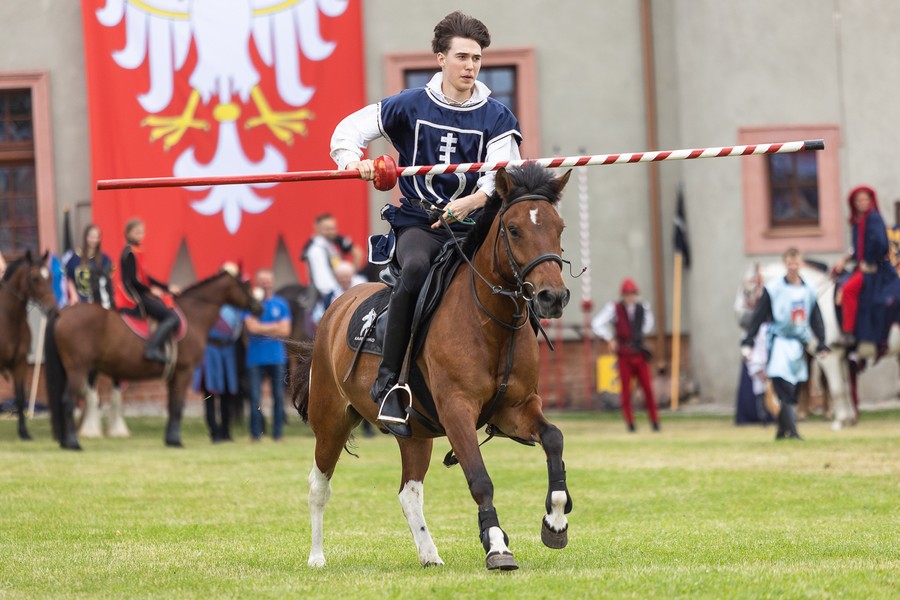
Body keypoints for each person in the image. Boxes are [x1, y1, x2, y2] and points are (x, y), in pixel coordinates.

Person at [330, 10, 522, 437]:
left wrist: (471, 202)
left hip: (472, 226)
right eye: (462, 57)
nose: (470, 66)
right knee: (415, 270)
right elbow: (347, 131)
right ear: (440, 58)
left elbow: (501, 175)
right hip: (420, 223)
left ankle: (513, 386)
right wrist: (354, 162)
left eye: (476, 58)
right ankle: (388, 380)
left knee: (517, 266)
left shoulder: (496, 116)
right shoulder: (408, 105)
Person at [741, 248, 829, 441]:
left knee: (795, 387)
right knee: (784, 388)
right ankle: (794, 432)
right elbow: (759, 315)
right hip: (780, 342)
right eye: (790, 263)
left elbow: (816, 318)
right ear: (785, 264)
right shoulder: (774, 289)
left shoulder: (808, 291)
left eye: (796, 263)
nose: (793, 267)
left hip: (798, 345)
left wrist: (822, 342)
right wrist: (749, 340)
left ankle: (782, 431)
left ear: (800, 264)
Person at [592, 278, 660, 432]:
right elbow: (597, 323)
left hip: (639, 354)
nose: (630, 297)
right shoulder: (614, 308)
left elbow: (648, 327)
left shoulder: (643, 308)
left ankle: (654, 421)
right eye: (627, 294)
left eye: (632, 294)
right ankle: (630, 422)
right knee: (626, 391)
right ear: (623, 295)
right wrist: (609, 338)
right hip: (624, 355)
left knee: (648, 389)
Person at [834, 186, 897, 346]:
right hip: (862, 266)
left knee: (848, 290)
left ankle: (848, 332)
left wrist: (871, 263)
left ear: (870, 201)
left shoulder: (874, 218)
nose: (862, 203)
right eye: (859, 200)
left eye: (865, 199)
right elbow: (857, 249)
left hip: (876, 269)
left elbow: (882, 244)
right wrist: (845, 260)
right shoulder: (858, 222)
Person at [114, 219, 181, 363]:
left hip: (141, 291)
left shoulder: (138, 250)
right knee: (173, 317)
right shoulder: (130, 253)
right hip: (135, 295)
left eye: (142, 232)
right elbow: (132, 280)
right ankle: (152, 348)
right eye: (137, 232)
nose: (141, 234)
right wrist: (151, 290)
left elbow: (147, 278)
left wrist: (167, 287)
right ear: (128, 233)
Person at [194, 264, 244, 443]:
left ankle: (226, 430)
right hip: (211, 349)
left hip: (228, 349)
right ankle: (213, 431)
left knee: (226, 393)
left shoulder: (236, 304)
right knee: (210, 392)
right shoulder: (209, 301)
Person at [243, 268, 291, 442]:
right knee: (255, 397)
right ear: (258, 283)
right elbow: (251, 328)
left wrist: (262, 328)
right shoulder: (252, 304)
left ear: (272, 282)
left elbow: (286, 330)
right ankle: (255, 434)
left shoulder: (281, 303)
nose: (265, 284)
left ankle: (278, 434)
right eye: (262, 281)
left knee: (278, 397)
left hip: (277, 357)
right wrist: (274, 327)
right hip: (255, 358)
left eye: (268, 280)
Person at [302, 213, 364, 305]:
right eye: (327, 229)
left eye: (333, 228)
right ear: (318, 229)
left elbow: (358, 253)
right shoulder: (315, 249)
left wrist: (350, 275)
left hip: (342, 286)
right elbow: (323, 282)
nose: (332, 231)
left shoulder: (336, 241)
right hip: (326, 294)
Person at [66, 224, 115, 309]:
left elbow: (108, 281)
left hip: (100, 304)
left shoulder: (104, 258)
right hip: (81, 303)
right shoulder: (75, 257)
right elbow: (68, 276)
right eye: (91, 237)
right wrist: (73, 295)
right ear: (86, 237)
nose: (94, 240)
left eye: (97, 237)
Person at [310, 260, 365, 325]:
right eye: (341, 277)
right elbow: (317, 316)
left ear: (352, 276)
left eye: (346, 276)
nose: (344, 280)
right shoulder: (330, 295)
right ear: (336, 278)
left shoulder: (361, 292)